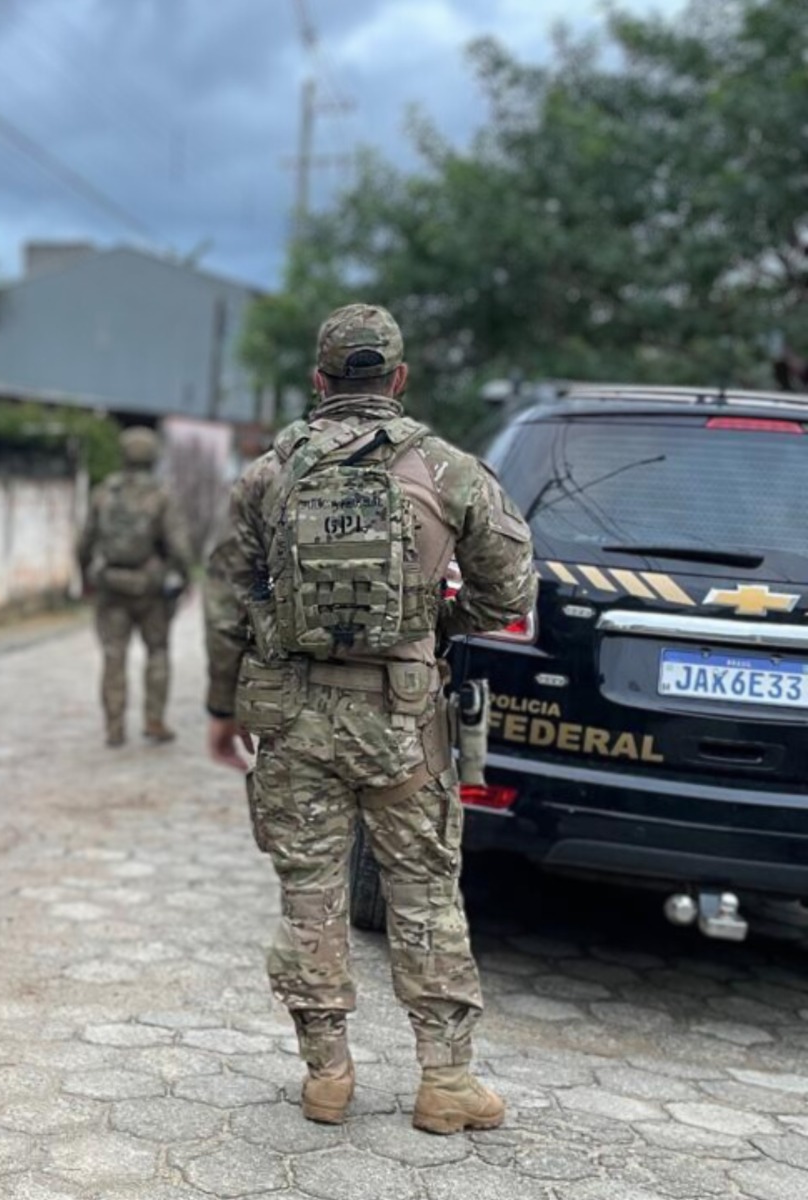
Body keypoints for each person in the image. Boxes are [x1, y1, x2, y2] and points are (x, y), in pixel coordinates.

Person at [202, 304, 538, 1134]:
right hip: (403, 718)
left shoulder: (267, 475)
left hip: (294, 718)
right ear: (398, 379)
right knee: (425, 890)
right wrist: (432, 625)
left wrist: (221, 704)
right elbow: (511, 589)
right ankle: (446, 1082)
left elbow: (224, 599)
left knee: (309, 894)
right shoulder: (448, 470)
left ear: (318, 382)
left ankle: (327, 1076)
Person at [77, 426, 194, 747]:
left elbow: (84, 542)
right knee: (157, 652)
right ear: (154, 456)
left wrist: (85, 575)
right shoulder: (161, 495)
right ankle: (154, 720)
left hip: (110, 585)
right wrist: (184, 578)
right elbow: (179, 547)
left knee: (113, 656)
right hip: (151, 590)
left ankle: (114, 728)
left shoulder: (103, 493)